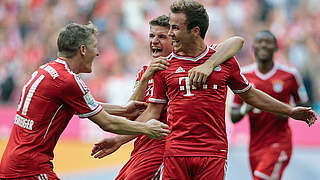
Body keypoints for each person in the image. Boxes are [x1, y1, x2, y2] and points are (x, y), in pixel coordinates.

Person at [129, 1, 316, 179]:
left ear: (195, 31)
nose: (170, 34)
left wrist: (290, 110)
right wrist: (120, 139)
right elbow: (152, 111)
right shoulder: (164, 66)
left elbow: (250, 95)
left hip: (213, 153)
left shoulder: (223, 61)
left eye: (175, 28)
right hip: (176, 152)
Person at [0, 22, 171, 180]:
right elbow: (107, 123)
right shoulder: (68, 81)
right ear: (83, 49)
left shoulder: (46, 70)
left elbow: (82, 105)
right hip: (30, 168)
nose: (97, 53)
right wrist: (146, 128)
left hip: (12, 162)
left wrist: (124, 110)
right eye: (95, 47)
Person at [91, 15, 245, 180]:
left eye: (161, 37)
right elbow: (132, 112)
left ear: (175, 40)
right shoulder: (146, 71)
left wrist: (210, 64)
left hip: (165, 151)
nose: (154, 41)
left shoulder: (193, 64)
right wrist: (144, 79)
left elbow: (235, 42)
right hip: (141, 149)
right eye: (151, 36)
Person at [230, 30, 311, 180]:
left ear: (275, 48)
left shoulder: (290, 75)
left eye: (268, 42)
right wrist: (244, 109)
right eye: (260, 42)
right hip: (255, 144)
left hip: (279, 141)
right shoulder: (244, 75)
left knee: (261, 177)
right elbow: (233, 116)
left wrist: (286, 110)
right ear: (253, 48)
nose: (264, 45)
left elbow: (305, 103)